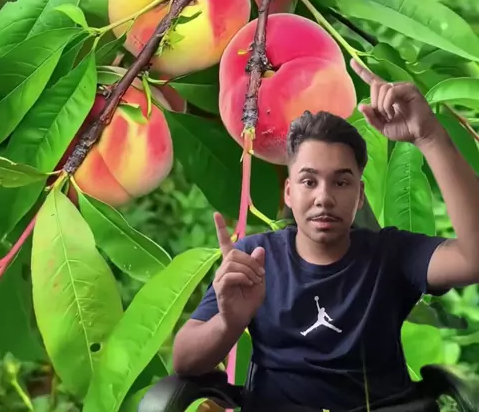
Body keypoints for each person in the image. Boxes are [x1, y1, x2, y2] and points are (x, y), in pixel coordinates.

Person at [172, 60, 479, 412]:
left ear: (359, 195)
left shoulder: (391, 255)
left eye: (341, 182)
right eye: (309, 181)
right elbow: (185, 361)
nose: (324, 197)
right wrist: (229, 322)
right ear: (289, 193)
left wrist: (430, 137)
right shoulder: (255, 258)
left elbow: (473, 259)